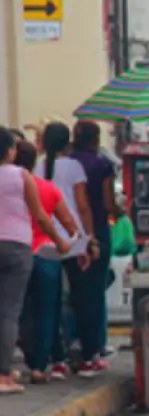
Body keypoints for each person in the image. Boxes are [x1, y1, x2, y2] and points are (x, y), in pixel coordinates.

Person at [0, 128, 66, 394]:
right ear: (10, 151)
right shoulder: (21, 175)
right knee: (10, 312)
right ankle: (4, 375)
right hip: (17, 246)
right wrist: (60, 242)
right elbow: (39, 215)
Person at [37, 123, 104, 377]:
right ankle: (88, 357)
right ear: (68, 143)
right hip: (74, 241)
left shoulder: (37, 167)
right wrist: (89, 238)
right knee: (82, 299)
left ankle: (57, 360)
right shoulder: (74, 167)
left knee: (50, 304)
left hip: (44, 242)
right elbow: (82, 206)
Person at [15, 139, 79, 384]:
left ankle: (27, 356)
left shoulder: (7, 187)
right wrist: (73, 240)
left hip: (15, 252)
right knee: (46, 312)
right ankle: (40, 366)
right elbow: (68, 222)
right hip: (45, 255)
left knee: (16, 311)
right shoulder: (47, 188)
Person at [69, 121, 120, 363]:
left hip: (69, 230)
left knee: (77, 290)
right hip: (97, 228)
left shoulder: (67, 163)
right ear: (96, 139)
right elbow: (109, 203)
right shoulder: (102, 165)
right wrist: (121, 211)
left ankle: (76, 339)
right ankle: (96, 343)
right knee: (96, 288)